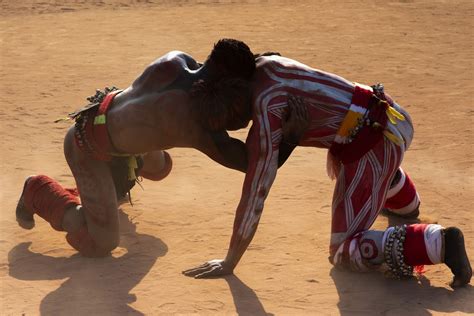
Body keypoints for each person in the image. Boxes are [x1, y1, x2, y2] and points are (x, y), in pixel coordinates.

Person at [183, 54, 472, 287]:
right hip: (387, 114)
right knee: (358, 163)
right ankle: (405, 203)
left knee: (344, 251)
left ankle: (440, 243)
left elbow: (256, 191)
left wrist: (230, 260)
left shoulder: (267, 111)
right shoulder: (267, 64)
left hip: (377, 144)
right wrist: (292, 139)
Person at [15, 39, 307, 258]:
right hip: (87, 148)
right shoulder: (192, 122)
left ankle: (110, 186)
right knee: (102, 243)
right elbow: (251, 161)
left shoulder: (177, 60)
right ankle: (38, 190)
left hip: (108, 122)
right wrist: (292, 129)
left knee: (162, 166)